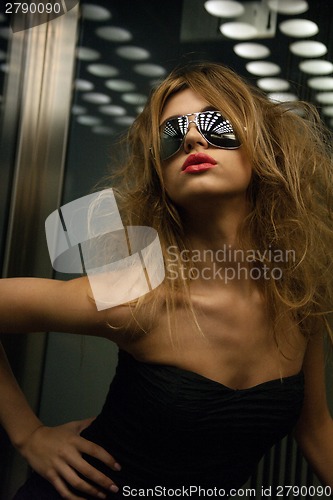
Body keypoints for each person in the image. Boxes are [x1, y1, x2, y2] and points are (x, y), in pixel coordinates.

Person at [1, 62, 333, 499]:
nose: (193, 138)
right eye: (172, 135)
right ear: (161, 173)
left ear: (261, 147)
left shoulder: (296, 294)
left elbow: (314, 428)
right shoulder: (139, 293)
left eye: (216, 124)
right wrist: (29, 435)